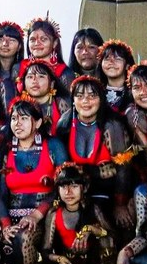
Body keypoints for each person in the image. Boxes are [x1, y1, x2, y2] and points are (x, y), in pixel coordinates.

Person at [0, 99, 68, 264]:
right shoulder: (5, 151)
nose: (17, 123)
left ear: (38, 122)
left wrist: (37, 214)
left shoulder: (53, 146)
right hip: (14, 219)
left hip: (46, 218)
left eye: (24, 118)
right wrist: (5, 225)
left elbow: (65, 185)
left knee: (24, 237)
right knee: (15, 241)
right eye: (14, 119)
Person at [26, 163, 117, 264]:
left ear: (84, 188)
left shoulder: (93, 209)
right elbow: (46, 250)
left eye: (74, 186)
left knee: (107, 241)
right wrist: (59, 259)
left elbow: (111, 235)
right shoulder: (54, 214)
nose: (68, 192)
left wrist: (91, 229)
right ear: (58, 190)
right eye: (63, 187)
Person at [56, 75, 134, 230]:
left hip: (109, 192)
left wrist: (120, 204)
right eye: (80, 96)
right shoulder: (65, 124)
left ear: (101, 100)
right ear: (73, 100)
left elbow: (123, 169)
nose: (86, 101)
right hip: (75, 192)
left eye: (92, 96)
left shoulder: (112, 126)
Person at [20, 16, 74, 91]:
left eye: (43, 39)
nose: (37, 43)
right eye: (32, 40)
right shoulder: (19, 68)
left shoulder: (65, 74)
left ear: (54, 43)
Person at [19, 60, 71, 136]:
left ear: (52, 84)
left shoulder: (61, 103)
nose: (34, 80)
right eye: (30, 77)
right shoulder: (19, 106)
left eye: (41, 76)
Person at [0, 21, 25, 105]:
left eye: (11, 40)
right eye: (0, 39)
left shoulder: (26, 71)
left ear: (19, 46)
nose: (5, 44)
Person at [98, 40, 135, 114]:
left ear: (127, 65)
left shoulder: (135, 91)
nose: (111, 62)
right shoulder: (95, 90)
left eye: (118, 59)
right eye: (107, 59)